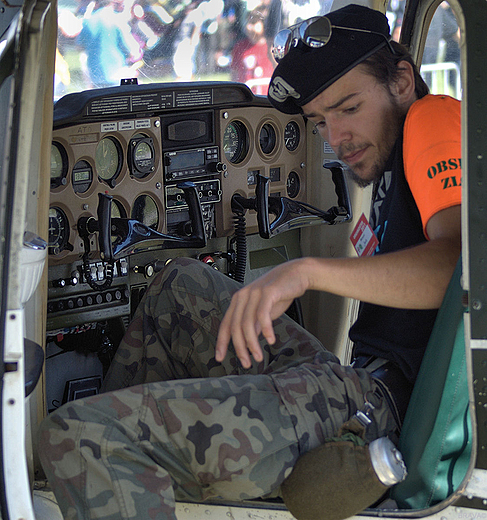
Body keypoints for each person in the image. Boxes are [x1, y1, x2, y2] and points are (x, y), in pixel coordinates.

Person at [38, 4, 462, 520]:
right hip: (352, 380)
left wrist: (303, 271)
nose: (336, 137)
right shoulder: (395, 153)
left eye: (348, 108)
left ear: (400, 79)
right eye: (320, 121)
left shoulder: (433, 117)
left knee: (81, 436)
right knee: (178, 286)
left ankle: (112, 452)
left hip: (372, 405)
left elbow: (458, 270)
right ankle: (131, 471)